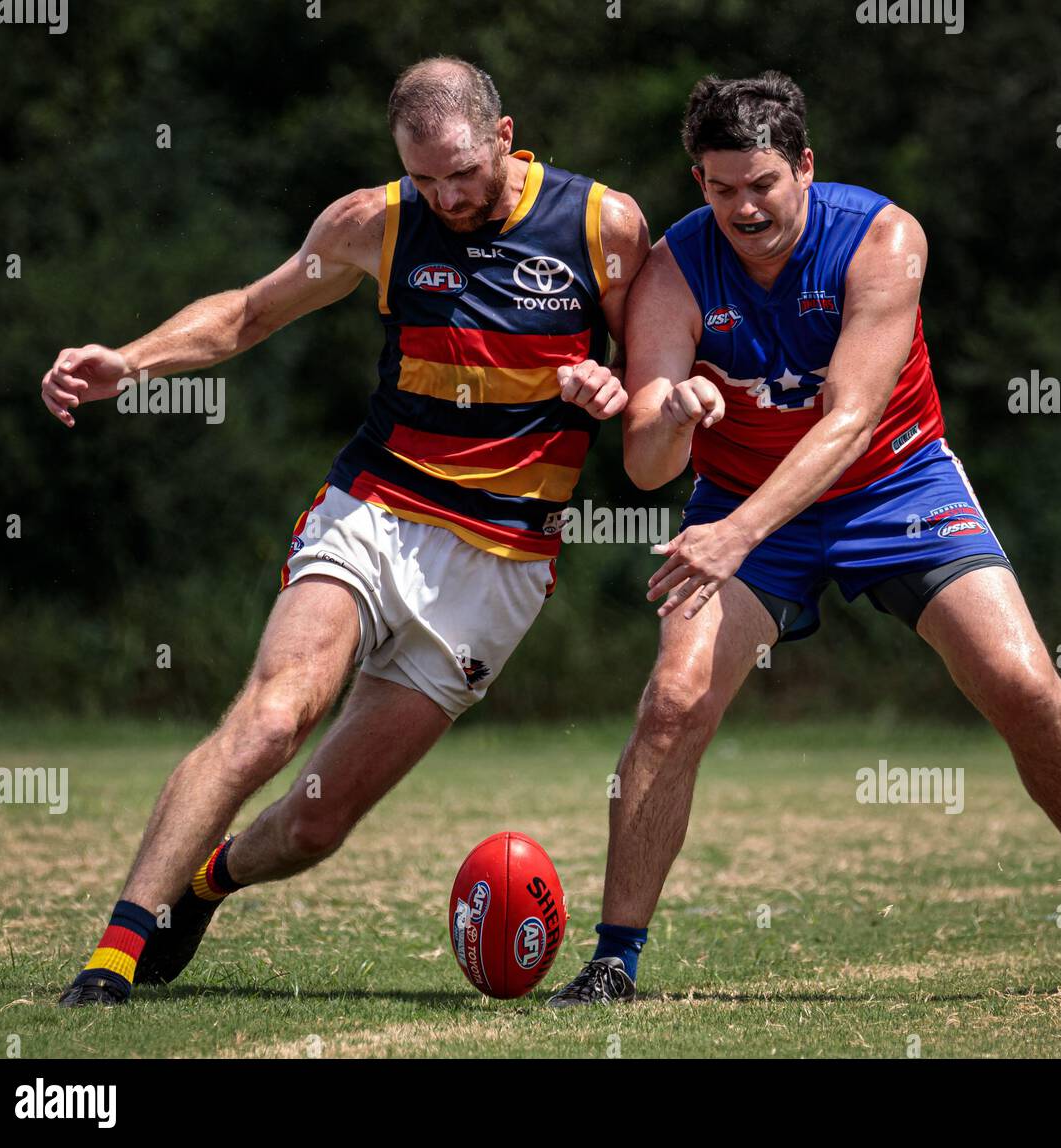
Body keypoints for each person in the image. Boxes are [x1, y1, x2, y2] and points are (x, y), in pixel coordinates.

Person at [546, 71, 1061, 1007]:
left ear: (804, 167)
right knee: (673, 699)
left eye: (763, 184)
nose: (745, 208)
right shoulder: (673, 269)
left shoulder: (883, 238)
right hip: (739, 495)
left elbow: (850, 421)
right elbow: (648, 465)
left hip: (895, 480)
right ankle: (616, 963)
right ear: (699, 182)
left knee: (1021, 681)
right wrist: (675, 416)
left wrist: (735, 532)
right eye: (722, 188)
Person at [45, 56, 648, 1007]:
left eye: (465, 173)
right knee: (274, 716)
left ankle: (209, 882)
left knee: (315, 829)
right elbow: (249, 312)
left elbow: (651, 379)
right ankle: (112, 957)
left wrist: (615, 391)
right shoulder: (375, 220)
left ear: (505, 135)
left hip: (500, 564)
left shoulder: (602, 225)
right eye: (426, 177)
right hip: (378, 509)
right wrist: (129, 361)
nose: (447, 195)